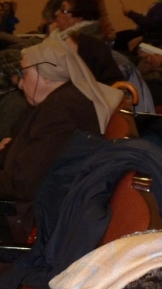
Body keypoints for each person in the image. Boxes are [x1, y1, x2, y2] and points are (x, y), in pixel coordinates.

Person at [0, 39, 122, 234]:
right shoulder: (64, 100)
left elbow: (22, 184)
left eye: (25, 74)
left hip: (29, 215)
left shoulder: (59, 112)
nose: (21, 84)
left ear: (47, 76)